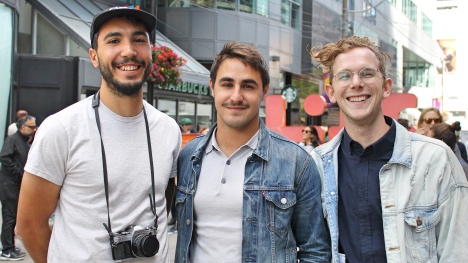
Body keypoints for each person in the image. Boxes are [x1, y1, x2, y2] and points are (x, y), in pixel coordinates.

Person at [15, 6, 181, 263]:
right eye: (114, 40)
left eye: (139, 40)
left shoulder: (168, 130)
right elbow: (28, 225)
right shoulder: (61, 129)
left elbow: (164, 205)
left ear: (150, 52)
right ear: (94, 56)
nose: (129, 50)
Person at [310, 36, 468, 262]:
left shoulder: (436, 159)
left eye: (366, 73)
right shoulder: (317, 165)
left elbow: (458, 252)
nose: (356, 83)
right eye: (344, 75)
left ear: (386, 87)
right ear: (331, 92)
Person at [174, 42, 331, 262]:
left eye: (248, 86)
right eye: (227, 84)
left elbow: (315, 251)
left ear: (264, 91)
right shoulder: (188, 156)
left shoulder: (296, 161)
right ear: (212, 86)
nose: (236, 96)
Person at [0, 115, 36, 260]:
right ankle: (6, 250)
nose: (34, 129)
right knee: (9, 217)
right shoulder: (13, 139)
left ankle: (11, 247)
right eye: (31, 127)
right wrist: (18, 172)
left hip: (16, 183)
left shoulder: (24, 141)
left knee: (14, 216)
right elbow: (4, 157)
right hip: (9, 183)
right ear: (22, 127)